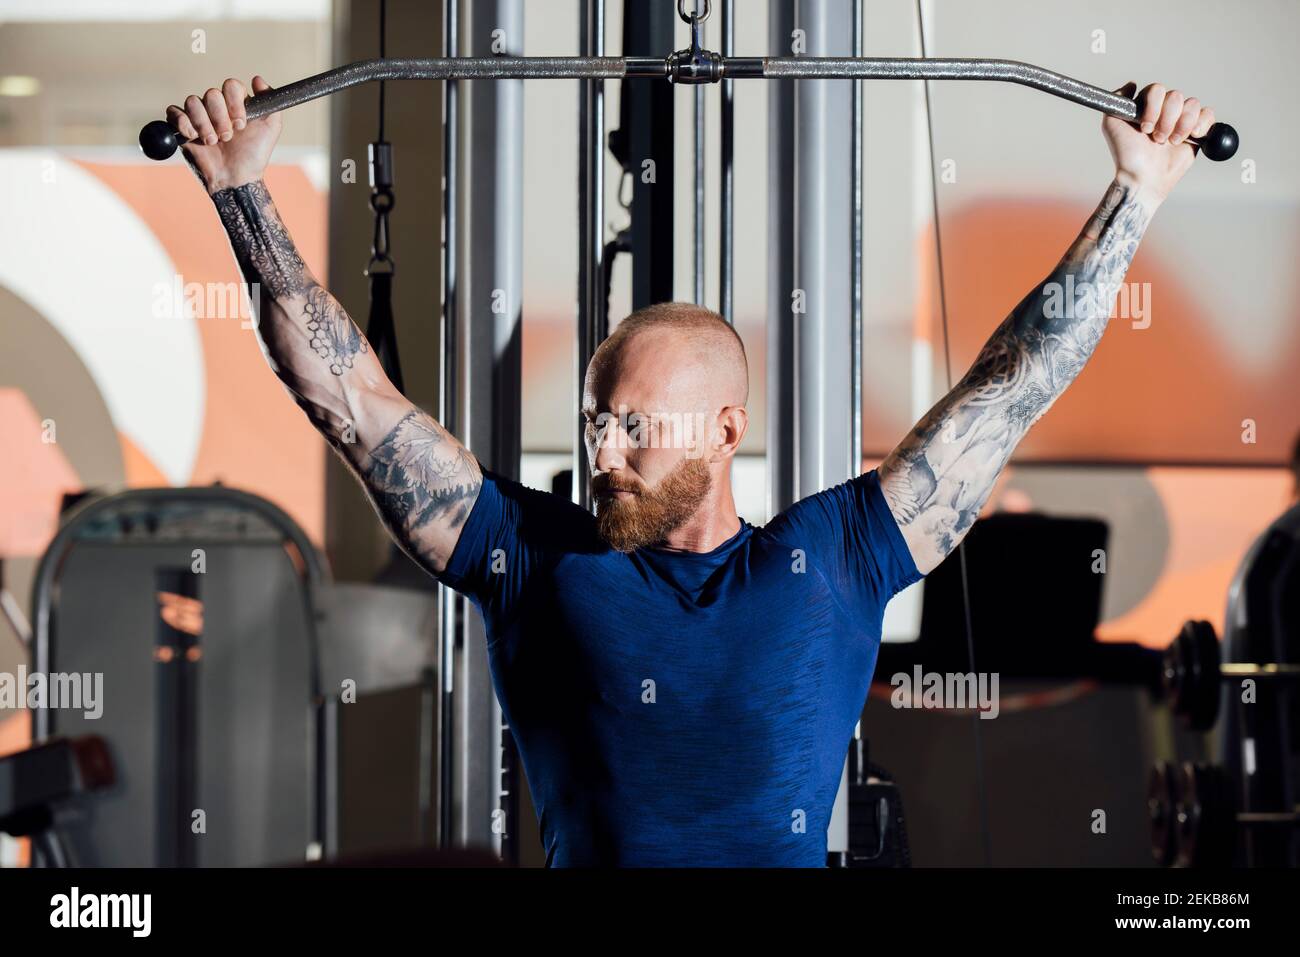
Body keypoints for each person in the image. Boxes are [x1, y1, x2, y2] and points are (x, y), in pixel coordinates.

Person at [165, 75, 1216, 866]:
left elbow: (1013, 386)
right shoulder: (531, 555)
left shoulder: (835, 557)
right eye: (592, 426)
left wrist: (1137, 186)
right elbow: (349, 402)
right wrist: (240, 188)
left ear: (724, 430)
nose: (601, 456)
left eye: (632, 428)